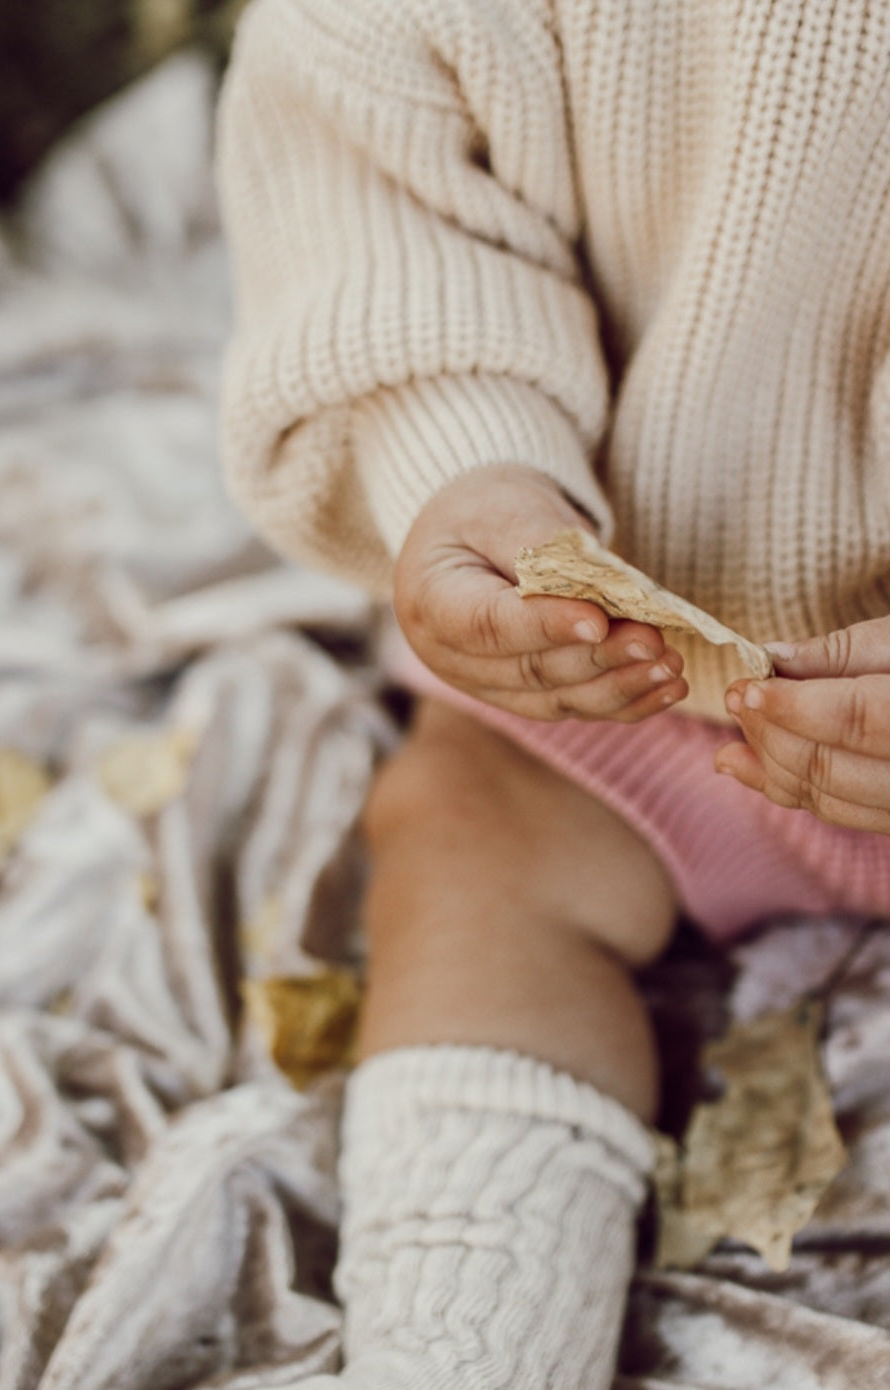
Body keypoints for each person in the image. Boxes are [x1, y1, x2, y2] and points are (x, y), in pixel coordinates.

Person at [216, 1, 890, 1384]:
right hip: (621, 684)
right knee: (470, 845)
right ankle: (464, 1338)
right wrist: (470, 462)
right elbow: (380, 195)